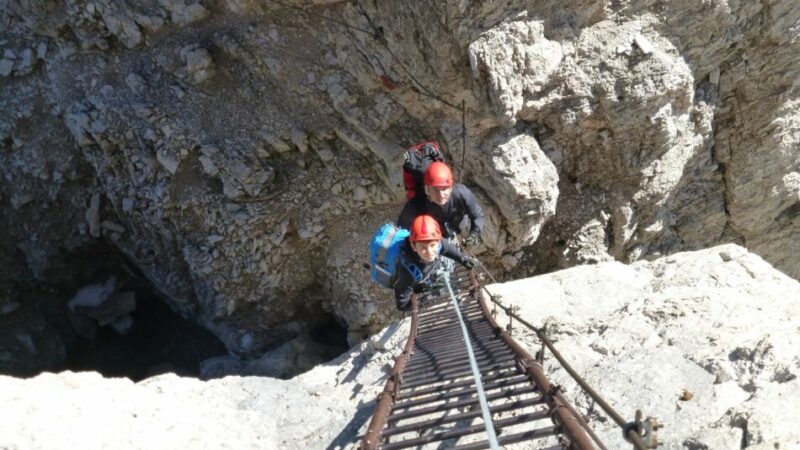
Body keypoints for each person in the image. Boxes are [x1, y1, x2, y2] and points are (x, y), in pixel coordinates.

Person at [393, 214, 477, 311]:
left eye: (432, 245)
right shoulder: (408, 273)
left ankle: (432, 279)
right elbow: (402, 304)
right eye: (423, 248)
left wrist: (464, 260)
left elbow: (447, 248)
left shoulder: (437, 242)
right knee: (431, 279)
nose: (429, 252)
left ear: (438, 241)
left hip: (426, 268)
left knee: (434, 272)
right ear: (413, 246)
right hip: (414, 277)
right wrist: (421, 297)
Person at [397, 161, 484, 247]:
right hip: (429, 238)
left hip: (455, 227)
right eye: (435, 189)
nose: (441, 195)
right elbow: (402, 230)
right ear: (427, 190)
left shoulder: (461, 194)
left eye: (444, 189)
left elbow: (477, 214)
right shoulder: (416, 205)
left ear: (450, 188)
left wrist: (474, 234)